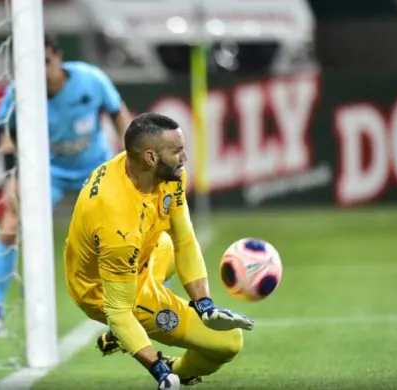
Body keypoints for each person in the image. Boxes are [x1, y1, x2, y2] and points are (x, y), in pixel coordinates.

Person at [63, 113, 254, 389]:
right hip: (105, 290)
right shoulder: (118, 224)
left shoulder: (160, 171)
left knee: (167, 244)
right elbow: (117, 310)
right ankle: (180, 370)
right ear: (151, 157)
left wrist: (205, 306)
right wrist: (159, 370)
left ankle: (131, 334)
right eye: (177, 150)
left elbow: (184, 239)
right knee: (229, 341)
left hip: (140, 254)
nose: (185, 157)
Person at [0, 34, 131, 337]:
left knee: (126, 227)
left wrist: (129, 160)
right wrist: (13, 180)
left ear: (59, 58)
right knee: (10, 223)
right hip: (49, 171)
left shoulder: (91, 79)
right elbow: (7, 138)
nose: (42, 70)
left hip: (96, 167)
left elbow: (119, 114)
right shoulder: (18, 93)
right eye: (34, 64)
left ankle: (140, 301)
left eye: (46, 62)